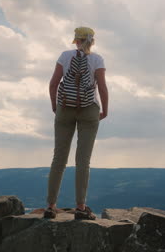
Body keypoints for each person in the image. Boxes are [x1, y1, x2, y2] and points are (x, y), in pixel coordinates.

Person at [44, 27, 108, 220]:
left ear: (76, 41)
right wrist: (105, 109)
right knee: (83, 160)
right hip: (90, 109)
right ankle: (80, 207)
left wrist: (56, 106)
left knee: (59, 159)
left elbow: (54, 83)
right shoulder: (97, 59)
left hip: (65, 107)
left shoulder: (64, 56)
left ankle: (50, 206)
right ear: (92, 41)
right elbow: (102, 87)